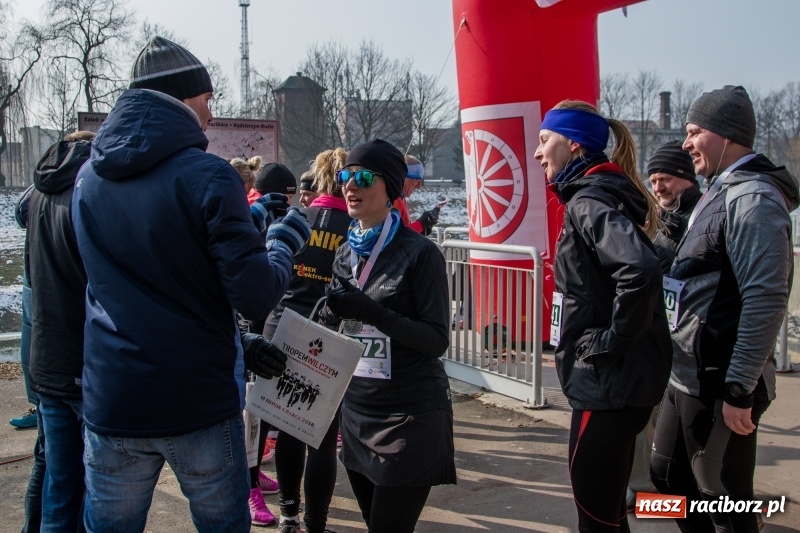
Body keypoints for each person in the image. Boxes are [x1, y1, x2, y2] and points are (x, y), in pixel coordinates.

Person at [71, 36, 311, 532]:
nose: (211, 110)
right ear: (183, 99)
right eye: (207, 98)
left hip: (114, 396)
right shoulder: (207, 176)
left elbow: (131, 287)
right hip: (196, 399)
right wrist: (285, 242)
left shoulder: (88, 178)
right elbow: (255, 293)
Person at [650, 85, 799, 532]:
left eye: (695, 132)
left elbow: (766, 296)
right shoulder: (719, 190)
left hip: (721, 383)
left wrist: (740, 389)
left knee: (726, 499)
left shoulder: (753, 198)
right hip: (687, 373)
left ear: (727, 135)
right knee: (668, 479)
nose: (686, 143)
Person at [533, 100, 671, 532]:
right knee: (609, 511)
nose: (538, 153)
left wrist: (612, 339)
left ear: (573, 144)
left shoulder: (588, 202)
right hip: (618, 383)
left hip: (608, 384)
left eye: (544, 141)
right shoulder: (599, 193)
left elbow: (640, 270)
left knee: (595, 514)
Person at [321, 139, 456, 533]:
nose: (350, 185)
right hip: (358, 412)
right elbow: (338, 324)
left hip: (409, 416)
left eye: (363, 177)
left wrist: (373, 313)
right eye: (346, 175)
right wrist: (329, 311)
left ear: (392, 189)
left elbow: (435, 340)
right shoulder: (346, 251)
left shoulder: (420, 253)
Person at [262, 147, 352, 533]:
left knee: (288, 426)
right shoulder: (355, 225)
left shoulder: (298, 216)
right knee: (321, 435)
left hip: (282, 325)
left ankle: (288, 516)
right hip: (327, 333)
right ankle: (315, 524)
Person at [23, 131, 96, 531]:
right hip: (84, 362)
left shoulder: (36, 196)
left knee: (59, 483)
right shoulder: (87, 197)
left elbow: (33, 278)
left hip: (46, 360)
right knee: (92, 489)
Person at [626, 140, 700, 508]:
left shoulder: (703, 217)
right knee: (647, 421)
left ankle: (725, 505)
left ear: (688, 177)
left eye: (666, 178)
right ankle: (643, 489)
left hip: (694, 347)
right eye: (653, 180)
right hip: (660, 340)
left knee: (694, 439)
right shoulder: (659, 219)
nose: (658, 188)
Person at [14, 185, 46, 532]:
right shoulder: (72, 216)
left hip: (41, 370)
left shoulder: (36, 212)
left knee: (46, 458)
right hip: (69, 373)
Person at [391, 155, 439, 236]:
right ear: (403, 177)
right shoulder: (392, 201)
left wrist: (421, 231)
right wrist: (421, 224)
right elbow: (397, 237)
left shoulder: (401, 200)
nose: (418, 186)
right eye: (416, 179)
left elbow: (405, 229)